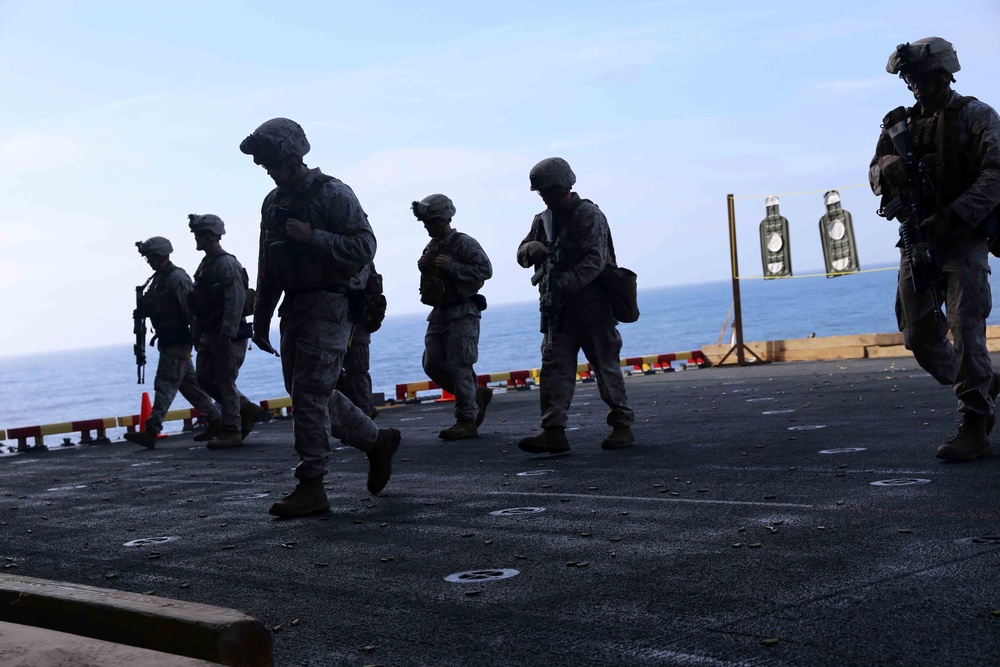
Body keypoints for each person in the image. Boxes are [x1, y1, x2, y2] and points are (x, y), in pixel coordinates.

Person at [240, 117, 400, 517]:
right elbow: (267, 262)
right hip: (294, 306)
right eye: (265, 166)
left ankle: (311, 485)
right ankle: (377, 441)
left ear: (294, 154)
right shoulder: (273, 202)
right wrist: (260, 318)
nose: (271, 172)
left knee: (310, 392)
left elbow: (365, 246)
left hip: (330, 304)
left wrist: (314, 238)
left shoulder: (333, 194)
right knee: (312, 393)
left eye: (275, 162)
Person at [869, 37, 1000, 462]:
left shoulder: (975, 116)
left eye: (922, 77)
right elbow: (873, 172)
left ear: (946, 74)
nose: (915, 86)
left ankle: (975, 421)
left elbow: (996, 171)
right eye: (909, 79)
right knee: (919, 335)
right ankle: (984, 382)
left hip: (962, 238)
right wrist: (886, 170)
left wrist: (955, 214)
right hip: (916, 239)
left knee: (965, 329)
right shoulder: (898, 126)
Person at [516, 157, 635, 454]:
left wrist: (562, 287)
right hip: (559, 309)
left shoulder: (588, 215)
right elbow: (521, 253)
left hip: (592, 306)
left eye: (549, 190)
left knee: (606, 367)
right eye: (542, 192)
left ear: (565, 185)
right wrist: (530, 249)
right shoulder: (542, 220)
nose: (545, 196)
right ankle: (553, 431)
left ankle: (622, 425)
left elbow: (595, 260)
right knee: (554, 368)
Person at [126, 237, 222, 448]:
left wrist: (197, 338)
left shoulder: (176, 278)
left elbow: (191, 311)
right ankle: (217, 420)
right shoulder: (158, 279)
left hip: (178, 339)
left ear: (161, 255)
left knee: (165, 383)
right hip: (169, 339)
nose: (149, 261)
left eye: (151, 257)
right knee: (190, 386)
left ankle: (151, 430)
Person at [413, 194, 494, 440]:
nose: (426, 226)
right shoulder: (432, 246)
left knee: (460, 365)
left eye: (429, 221)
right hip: (439, 312)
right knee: (432, 364)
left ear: (441, 220)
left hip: (462, 311)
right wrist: (424, 267)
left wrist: (452, 266)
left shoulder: (463, 243)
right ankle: (475, 394)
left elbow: (485, 271)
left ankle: (466, 419)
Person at [187, 214, 261, 450]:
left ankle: (232, 430)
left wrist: (227, 334)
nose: (196, 238)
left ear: (210, 235)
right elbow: (199, 303)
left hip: (226, 332)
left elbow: (236, 300)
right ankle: (245, 409)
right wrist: (197, 334)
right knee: (204, 379)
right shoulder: (206, 264)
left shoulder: (226, 263)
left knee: (225, 381)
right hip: (211, 331)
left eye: (199, 234)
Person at [335, 262, 385, 421]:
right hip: (337, 319)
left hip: (355, 319)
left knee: (357, 372)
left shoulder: (359, 251)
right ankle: (361, 412)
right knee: (333, 374)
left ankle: (364, 415)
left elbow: (374, 289)